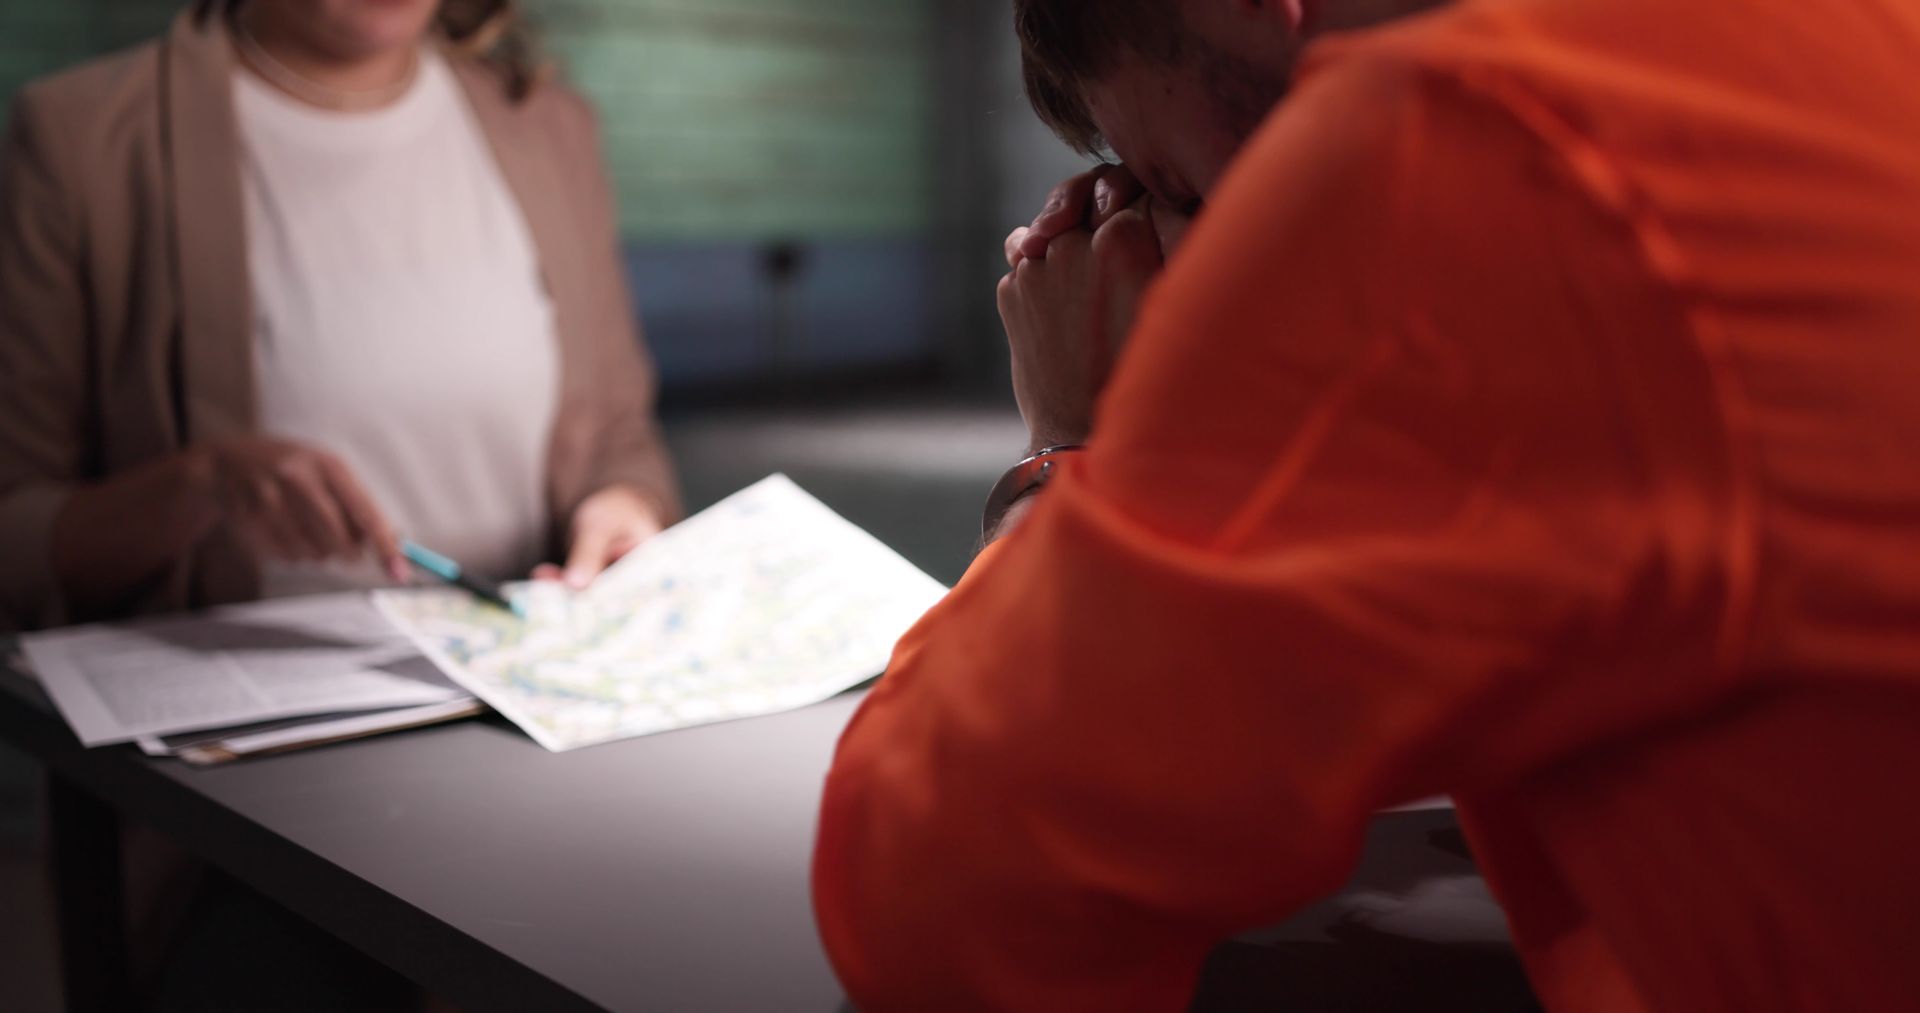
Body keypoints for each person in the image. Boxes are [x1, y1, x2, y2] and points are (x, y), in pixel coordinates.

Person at [813, 0, 1920, 1008]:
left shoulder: (1468, 140)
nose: (1168, 239)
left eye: (1181, 188)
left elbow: (941, 896)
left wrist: (1067, 456)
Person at [0, 0, 680, 633]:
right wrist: (195, 486)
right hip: (249, 719)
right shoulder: (83, 140)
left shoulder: (547, 125)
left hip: (520, 689)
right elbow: (17, 534)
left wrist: (623, 506)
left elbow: (618, 433)